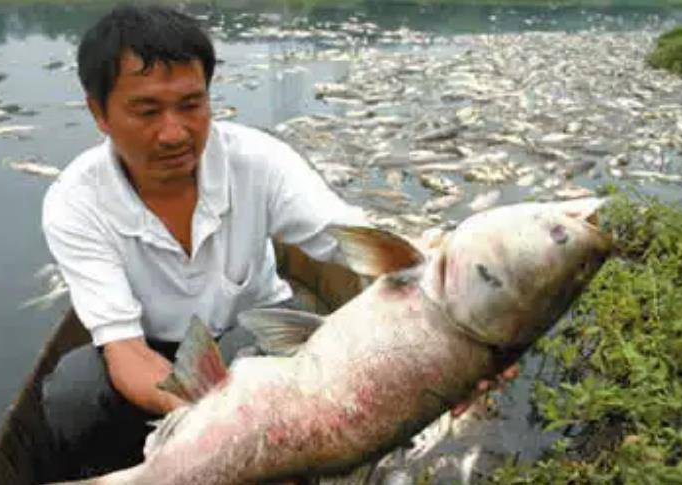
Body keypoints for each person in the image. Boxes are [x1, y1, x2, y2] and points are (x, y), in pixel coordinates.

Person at [38, 5, 516, 481]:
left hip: (254, 332)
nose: (174, 132)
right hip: (151, 351)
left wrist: (461, 312)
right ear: (99, 112)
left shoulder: (258, 160)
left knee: (259, 359)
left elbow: (348, 238)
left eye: (191, 104)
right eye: (147, 110)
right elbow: (125, 351)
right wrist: (205, 416)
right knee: (73, 392)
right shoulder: (76, 203)